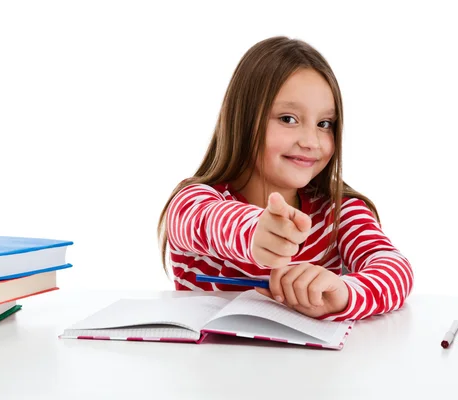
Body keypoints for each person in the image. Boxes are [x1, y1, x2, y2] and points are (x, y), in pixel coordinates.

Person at [157, 36, 413, 321]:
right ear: (242, 120)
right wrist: (255, 231)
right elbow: (209, 220)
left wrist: (345, 293)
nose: (311, 142)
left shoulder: (341, 211)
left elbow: (395, 268)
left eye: (324, 124)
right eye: (288, 119)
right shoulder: (193, 201)